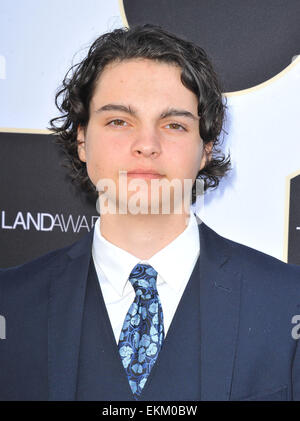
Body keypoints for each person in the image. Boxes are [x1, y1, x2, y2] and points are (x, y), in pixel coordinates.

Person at [0, 23, 300, 401]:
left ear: (206, 146)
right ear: (81, 139)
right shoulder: (9, 304)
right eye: (119, 121)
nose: (146, 144)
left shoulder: (289, 303)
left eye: (173, 124)